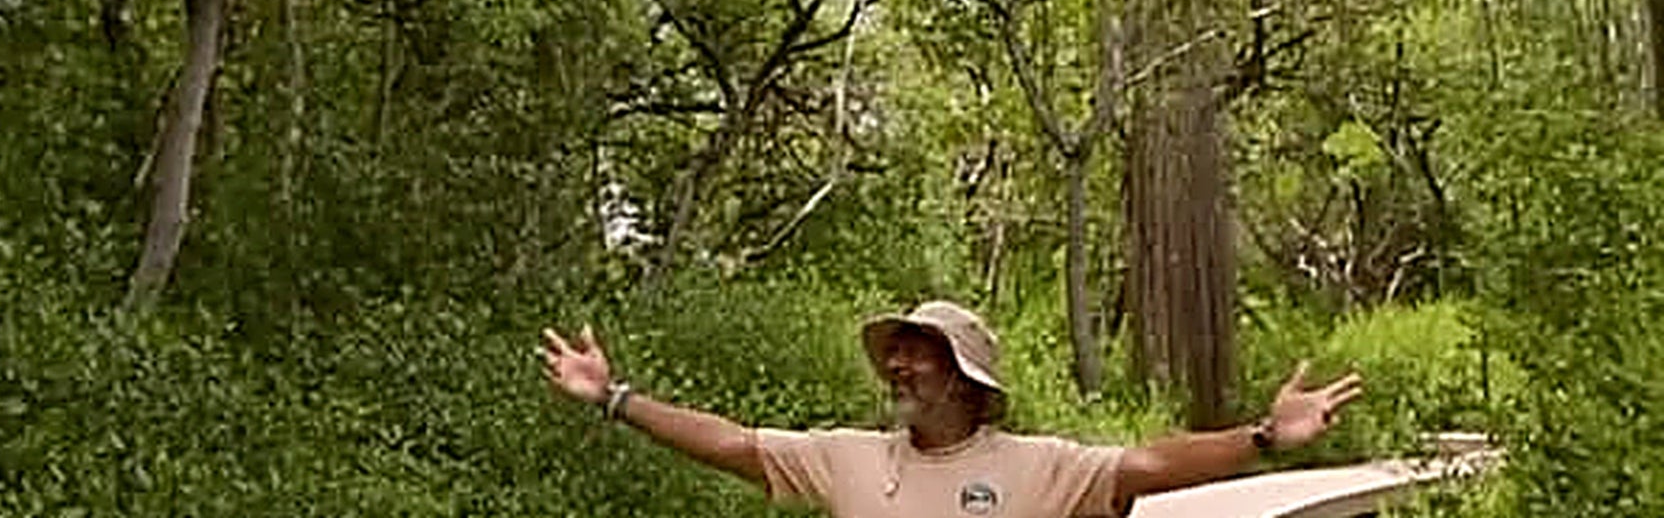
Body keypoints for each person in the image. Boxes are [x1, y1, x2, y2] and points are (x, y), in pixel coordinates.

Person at [540, 297, 1364, 515]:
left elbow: (1149, 464)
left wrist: (1263, 437)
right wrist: (614, 397)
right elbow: (733, 446)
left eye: (917, 352)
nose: (895, 364)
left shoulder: (1037, 469)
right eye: (893, 350)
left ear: (966, 379)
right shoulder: (849, 457)